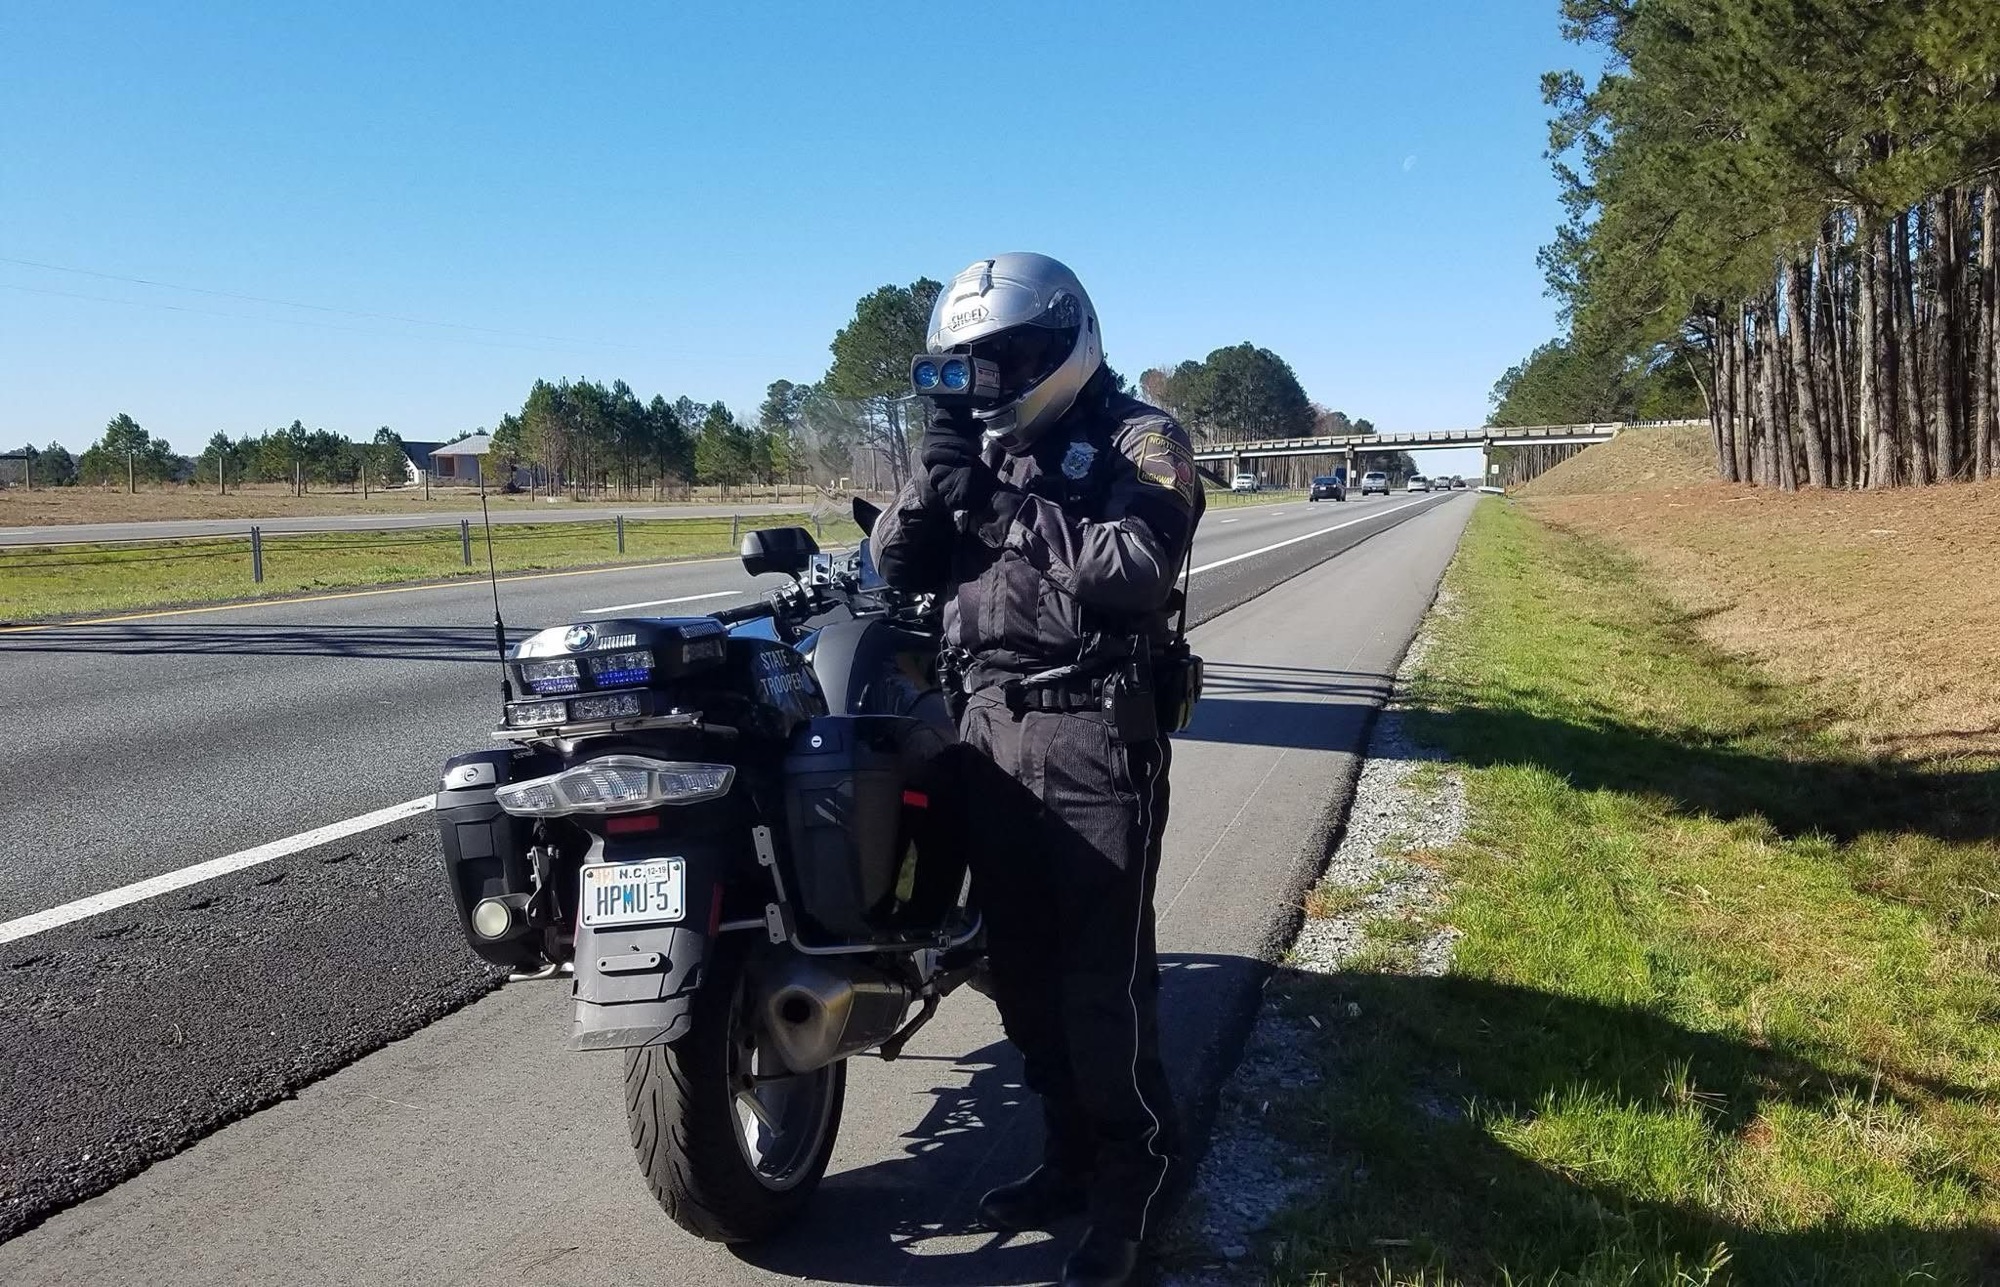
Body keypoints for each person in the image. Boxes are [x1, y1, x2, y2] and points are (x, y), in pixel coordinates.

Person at [871, 252, 1203, 1287]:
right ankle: (1066, 1154)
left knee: (1100, 987)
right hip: (985, 735)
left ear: (1063, 340)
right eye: (969, 363)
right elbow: (894, 566)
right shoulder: (976, 448)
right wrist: (931, 486)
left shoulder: (1138, 437)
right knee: (1017, 980)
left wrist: (998, 507)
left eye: (1008, 356)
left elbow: (1133, 572)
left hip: (1093, 731)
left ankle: (1131, 1182)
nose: (992, 378)